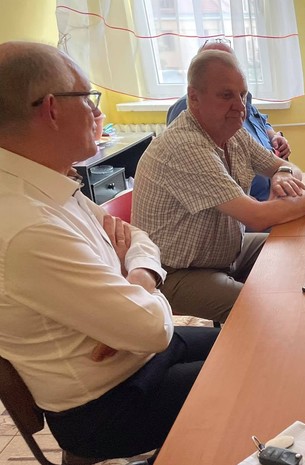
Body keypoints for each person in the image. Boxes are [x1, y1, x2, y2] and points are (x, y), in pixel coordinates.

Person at [0, 41, 219, 461]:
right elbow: (152, 328)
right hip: (108, 406)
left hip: (136, 359)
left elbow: (138, 238)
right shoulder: (26, 225)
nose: (96, 112)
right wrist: (133, 296)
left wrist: (133, 279)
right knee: (256, 377)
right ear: (52, 108)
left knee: (249, 347)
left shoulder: (44, 182)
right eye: (88, 97)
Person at [133, 50, 305, 323]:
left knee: (301, 252)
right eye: (226, 95)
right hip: (176, 272)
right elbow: (256, 217)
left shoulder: (232, 132)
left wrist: (280, 174)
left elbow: (287, 167)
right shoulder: (184, 146)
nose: (240, 106)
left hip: (225, 250)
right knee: (264, 312)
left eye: (242, 94)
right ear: (194, 97)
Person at [166, 39, 289, 202]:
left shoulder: (237, 110)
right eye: (226, 95)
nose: (240, 106)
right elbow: (250, 213)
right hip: (254, 204)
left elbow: (261, 121)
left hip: (272, 193)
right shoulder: (188, 116)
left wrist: (275, 140)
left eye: (229, 62)